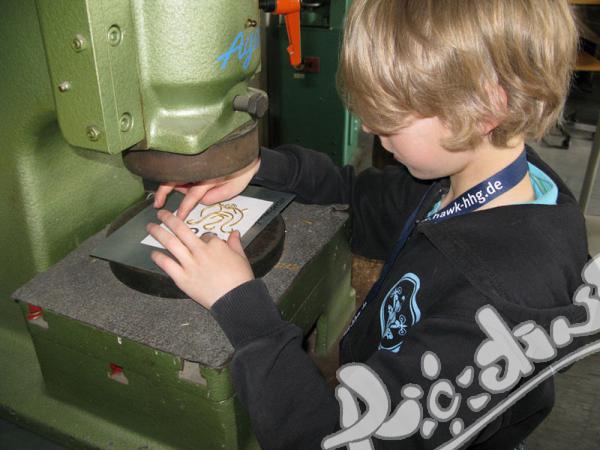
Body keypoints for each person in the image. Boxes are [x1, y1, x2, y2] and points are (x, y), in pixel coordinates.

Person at [148, 0, 590, 448]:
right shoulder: (466, 178)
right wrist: (259, 167)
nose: (372, 131)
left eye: (389, 123)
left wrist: (241, 305)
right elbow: (360, 194)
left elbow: (331, 440)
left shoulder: (499, 308)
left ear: (484, 109)